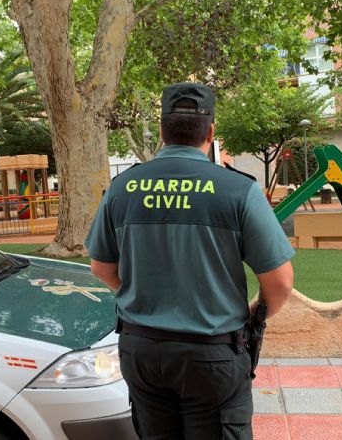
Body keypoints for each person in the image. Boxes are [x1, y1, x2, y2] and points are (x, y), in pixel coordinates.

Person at [85, 82, 294, 439]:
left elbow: (102, 268)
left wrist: (144, 297)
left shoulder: (123, 187)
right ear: (211, 132)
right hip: (211, 355)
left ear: (162, 132)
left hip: (142, 351)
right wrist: (254, 316)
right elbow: (280, 282)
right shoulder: (237, 190)